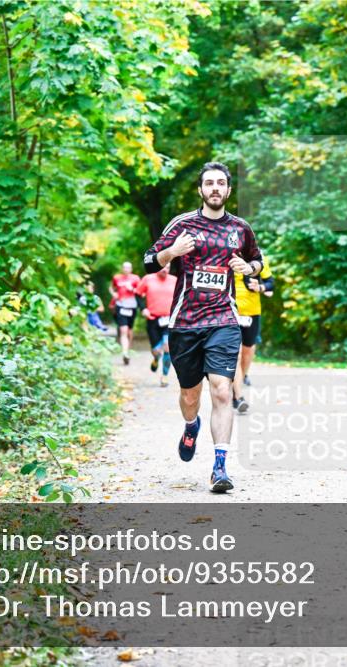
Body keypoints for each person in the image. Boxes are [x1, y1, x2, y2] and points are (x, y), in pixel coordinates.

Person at [142, 162, 264, 493]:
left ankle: (220, 468)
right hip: (185, 323)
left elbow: (258, 261)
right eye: (208, 183)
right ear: (200, 190)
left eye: (220, 183)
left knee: (222, 390)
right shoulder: (182, 225)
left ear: (228, 190)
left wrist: (248, 268)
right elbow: (150, 261)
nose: (214, 188)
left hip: (224, 319)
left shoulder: (240, 228)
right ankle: (190, 424)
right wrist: (172, 251)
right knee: (189, 395)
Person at [231, 254, 274, 413]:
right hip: (230, 311)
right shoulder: (227, 251)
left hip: (252, 312)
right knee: (236, 353)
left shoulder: (259, 257)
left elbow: (271, 284)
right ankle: (237, 396)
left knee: (247, 352)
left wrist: (260, 287)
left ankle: (238, 381)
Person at [136, 266, 178, 387]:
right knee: (156, 350)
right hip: (153, 319)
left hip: (169, 319)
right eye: (163, 267)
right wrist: (143, 309)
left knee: (167, 346)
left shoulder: (174, 280)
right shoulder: (147, 279)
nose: (166, 270)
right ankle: (155, 358)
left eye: (169, 268)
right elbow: (137, 294)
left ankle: (164, 376)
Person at [110, 262, 141, 364]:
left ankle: (127, 349)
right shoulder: (117, 277)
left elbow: (141, 292)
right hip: (121, 305)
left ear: (131, 269)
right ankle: (125, 353)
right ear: (122, 268)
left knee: (129, 331)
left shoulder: (136, 278)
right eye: (124, 267)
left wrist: (131, 288)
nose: (126, 269)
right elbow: (112, 287)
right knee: (123, 330)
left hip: (132, 306)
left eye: (128, 267)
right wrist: (113, 293)